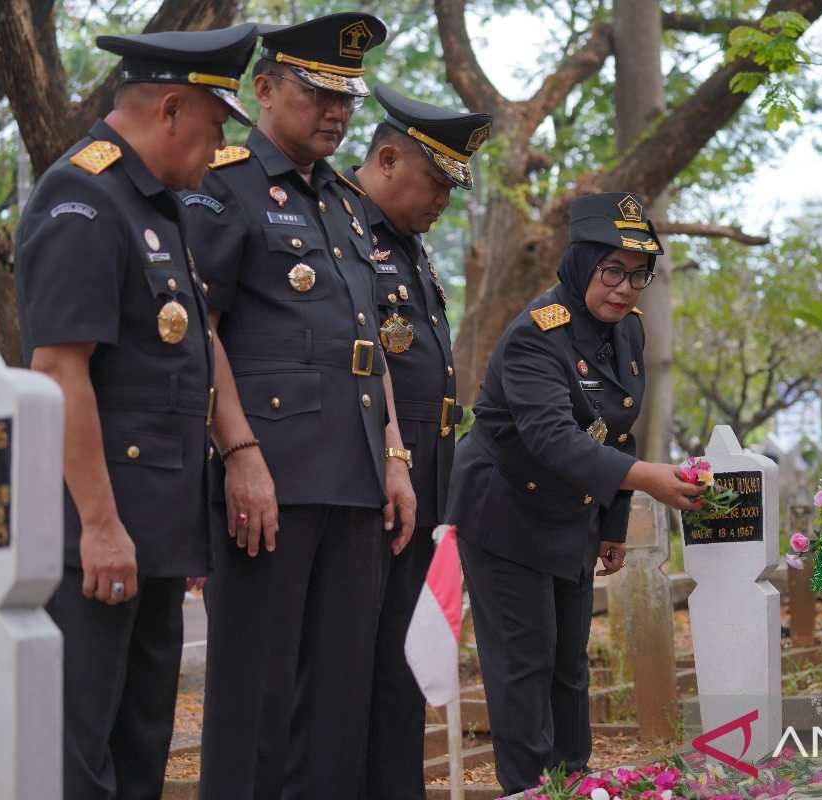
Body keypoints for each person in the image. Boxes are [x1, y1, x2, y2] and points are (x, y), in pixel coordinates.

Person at [15, 23, 261, 800]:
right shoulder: (83, 199)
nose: (218, 148)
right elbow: (59, 369)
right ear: (172, 110)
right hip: (97, 537)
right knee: (80, 747)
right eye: (217, 126)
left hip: (151, 536)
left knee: (143, 739)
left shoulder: (159, 208)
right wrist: (97, 525)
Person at [181, 15, 417, 799]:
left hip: (352, 476)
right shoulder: (224, 182)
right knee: (259, 694)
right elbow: (199, 329)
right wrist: (240, 456)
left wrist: (394, 454)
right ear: (266, 88)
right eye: (317, 93)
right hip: (269, 482)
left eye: (346, 98)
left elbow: (369, 344)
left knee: (339, 699)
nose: (337, 113)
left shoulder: (345, 205)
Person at [446, 192, 708, 795]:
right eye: (610, 270)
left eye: (638, 273)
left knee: (569, 666)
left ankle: (572, 782)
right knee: (524, 666)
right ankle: (529, 790)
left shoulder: (626, 332)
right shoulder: (537, 334)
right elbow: (553, 440)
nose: (624, 287)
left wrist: (613, 524)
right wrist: (647, 481)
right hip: (504, 512)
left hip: (568, 513)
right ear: (580, 263)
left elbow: (618, 426)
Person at [344, 85, 492, 799]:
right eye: (435, 181)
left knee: (402, 676)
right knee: (353, 675)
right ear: (388, 157)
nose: (442, 200)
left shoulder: (409, 248)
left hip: (421, 493)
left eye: (450, 189)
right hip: (367, 484)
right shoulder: (341, 226)